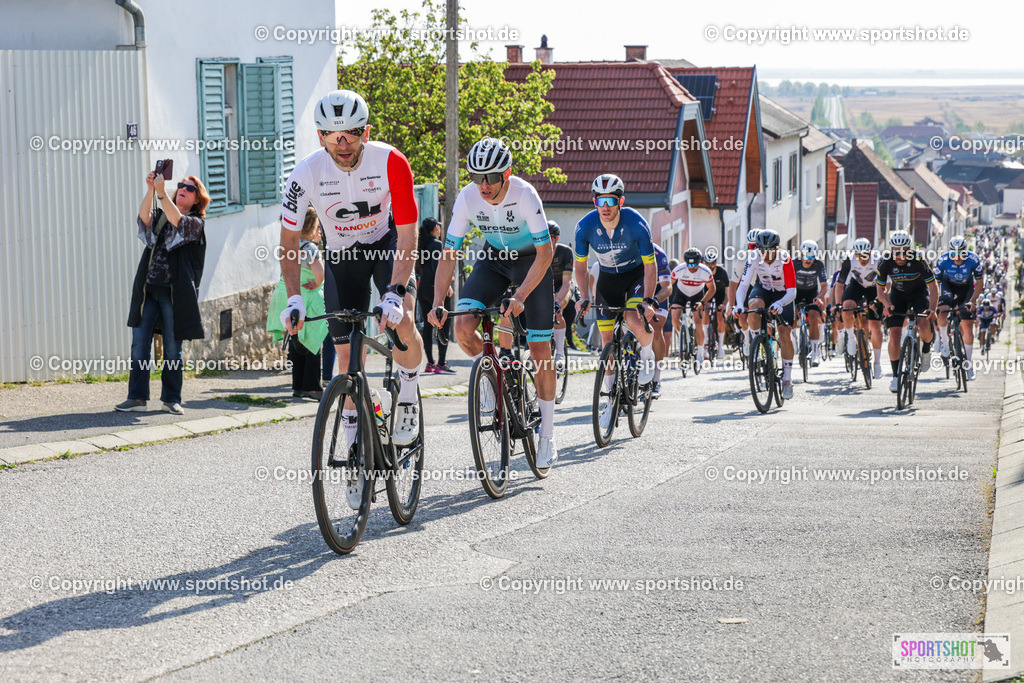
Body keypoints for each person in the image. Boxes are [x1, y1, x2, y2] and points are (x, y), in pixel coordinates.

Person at [279, 89, 424, 454]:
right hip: (342, 257)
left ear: (366, 132)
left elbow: (408, 233)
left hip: (386, 244)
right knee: (345, 360)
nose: (342, 144)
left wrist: (396, 291)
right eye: (333, 135)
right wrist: (294, 298)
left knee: (402, 320)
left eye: (351, 134)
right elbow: (289, 241)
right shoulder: (305, 173)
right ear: (320, 137)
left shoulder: (391, 161)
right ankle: (355, 451)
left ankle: (408, 394)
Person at [428, 138, 559, 467]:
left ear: (507, 174)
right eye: (476, 177)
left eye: (490, 177)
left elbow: (546, 253)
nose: (483, 185)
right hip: (495, 260)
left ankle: (547, 434)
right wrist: (436, 301)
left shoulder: (525, 195)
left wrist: (521, 296)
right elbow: (449, 253)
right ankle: (491, 376)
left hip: (531, 261)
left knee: (539, 349)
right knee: (462, 327)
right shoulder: (467, 197)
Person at [117, 171, 208, 414]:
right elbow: (144, 216)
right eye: (181, 186)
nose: (183, 189)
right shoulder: (161, 216)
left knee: (171, 349)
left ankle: (171, 399)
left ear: (197, 199)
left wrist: (161, 193)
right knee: (139, 345)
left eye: (190, 188)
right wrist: (151, 190)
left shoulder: (195, 223)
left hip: (174, 295)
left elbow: (177, 220)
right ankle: (137, 398)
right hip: (148, 291)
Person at [573, 174, 659, 431]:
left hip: (635, 276)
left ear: (621, 201)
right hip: (608, 279)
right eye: (600, 201)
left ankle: (647, 354)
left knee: (633, 317)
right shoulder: (585, 227)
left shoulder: (636, 223)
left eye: (611, 200)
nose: (606, 206)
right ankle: (610, 401)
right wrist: (584, 297)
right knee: (606, 340)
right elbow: (580, 266)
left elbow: (650, 266)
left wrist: (648, 300)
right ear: (594, 202)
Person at [267, 207, 329, 399]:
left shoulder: (289, 245)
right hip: (307, 297)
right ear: (312, 226)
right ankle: (313, 387)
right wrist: (317, 283)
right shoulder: (309, 248)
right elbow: (319, 272)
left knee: (295, 339)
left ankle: (298, 386)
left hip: (285, 295)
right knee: (312, 340)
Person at [734, 229, 797, 399]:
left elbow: (792, 292)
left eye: (769, 251)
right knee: (753, 306)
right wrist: (739, 305)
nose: (766, 255)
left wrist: (780, 303)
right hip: (764, 289)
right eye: (762, 250)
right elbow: (743, 285)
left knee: (784, 333)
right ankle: (757, 342)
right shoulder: (754, 257)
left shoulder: (785, 259)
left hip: (783, 294)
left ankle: (787, 379)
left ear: (777, 248)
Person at [876, 230, 938, 392]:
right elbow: (880, 291)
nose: (900, 256)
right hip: (898, 295)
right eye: (896, 252)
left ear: (909, 250)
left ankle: (926, 349)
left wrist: (932, 309)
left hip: (919, 294)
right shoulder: (885, 262)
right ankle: (896, 376)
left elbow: (933, 287)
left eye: (904, 252)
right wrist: (887, 304)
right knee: (894, 333)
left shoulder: (919, 260)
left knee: (923, 323)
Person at [934, 235, 983, 380]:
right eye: (954, 254)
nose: (957, 257)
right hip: (948, 287)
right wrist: (935, 303)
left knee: (967, 326)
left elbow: (979, 283)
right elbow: (936, 284)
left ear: (966, 252)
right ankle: (944, 341)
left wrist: (972, 301)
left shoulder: (973, 259)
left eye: (961, 253)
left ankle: (968, 365)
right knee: (942, 312)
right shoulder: (942, 261)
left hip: (966, 290)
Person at [840, 237, 884, 380]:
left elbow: (887, 284)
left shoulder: (878, 260)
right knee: (846, 308)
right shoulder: (849, 260)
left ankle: (877, 363)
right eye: (859, 256)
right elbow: (840, 284)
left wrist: (877, 300)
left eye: (865, 255)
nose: (862, 259)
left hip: (875, 288)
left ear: (870, 252)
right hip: (857, 286)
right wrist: (838, 305)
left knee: (875, 327)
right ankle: (851, 338)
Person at [416, 217, 454, 374]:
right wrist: (447, 286)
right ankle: (441, 363)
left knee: (427, 325)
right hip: (435, 289)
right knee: (444, 323)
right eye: (439, 226)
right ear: (436, 229)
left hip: (423, 289)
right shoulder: (437, 244)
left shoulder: (421, 245)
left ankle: (430, 363)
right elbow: (437, 267)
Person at [669, 247, 716, 366]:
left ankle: (700, 352)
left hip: (697, 295)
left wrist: (703, 302)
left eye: (694, 264)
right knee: (674, 319)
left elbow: (712, 289)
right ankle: (683, 338)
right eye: (689, 264)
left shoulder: (705, 272)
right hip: (681, 294)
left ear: (700, 262)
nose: (691, 267)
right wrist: (668, 302)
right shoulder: (679, 270)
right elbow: (668, 285)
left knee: (698, 322)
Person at [793, 240, 828, 366]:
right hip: (795, 292)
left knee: (814, 317)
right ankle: (794, 339)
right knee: (791, 317)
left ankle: (814, 353)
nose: (808, 260)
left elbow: (824, 286)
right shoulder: (794, 264)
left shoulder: (819, 264)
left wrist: (819, 297)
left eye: (812, 257)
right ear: (801, 255)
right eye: (806, 257)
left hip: (811, 293)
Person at [549, 220, 578, 364]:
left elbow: (567, 282)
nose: (546, 241)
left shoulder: (565, 252)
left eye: (549, 238)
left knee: (557, 310)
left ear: (556, 239)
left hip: (563, 285)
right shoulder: (534, 251)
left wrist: (557, 302)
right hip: (546, 285)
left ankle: (560, 353)